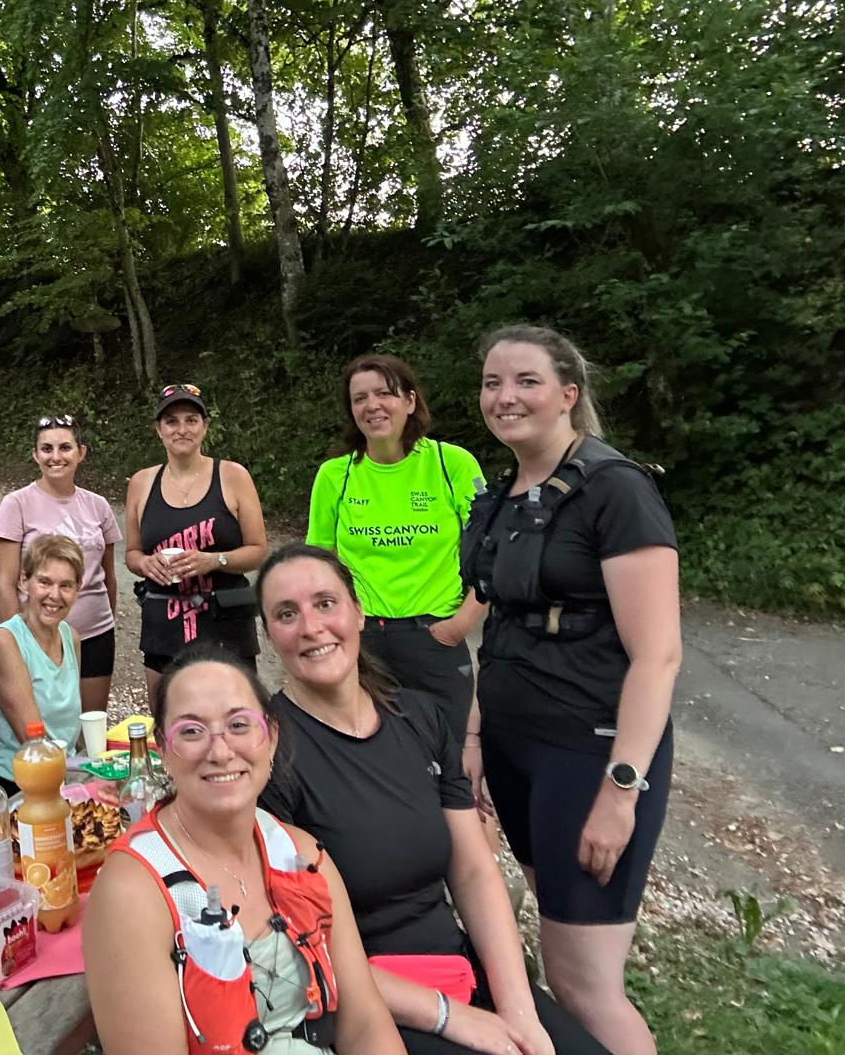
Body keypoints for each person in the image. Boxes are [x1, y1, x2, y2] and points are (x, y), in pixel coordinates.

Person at [256, 545, 608, 1055]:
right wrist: (450, 1018)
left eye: (325, 603)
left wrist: (518, 1011)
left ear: (359, 612)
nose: (311, 626)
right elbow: (292, 944)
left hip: (455, 969)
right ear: (269, 635)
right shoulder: (266, 754)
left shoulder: (419, 717)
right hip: (360, 1002)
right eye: (287, 614)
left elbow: (473, 871)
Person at [459, 326, 681, 1055]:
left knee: (586, 984)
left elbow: (658, 655)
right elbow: (503, 629)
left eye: (526, 380)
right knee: (559, 948)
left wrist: (622, 791)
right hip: (517, 750)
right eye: (493, 382)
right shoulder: (505, 494)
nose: (505, 396)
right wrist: (475, 737)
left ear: (567, 394)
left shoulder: (616, 491)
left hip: (589, 753)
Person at [85, 647, 405, 1055]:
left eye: (238, 725)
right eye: (191, 731)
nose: (220, 752)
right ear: (162, 749)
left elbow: (364, 1024)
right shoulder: (133, 893)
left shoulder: (300, 854)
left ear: (271, 737)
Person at [306, 354, 487, 744]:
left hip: (436, 636)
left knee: (447, 755)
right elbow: (318, 566)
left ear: (409, 400)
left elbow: (494, 551)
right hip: (364, 639)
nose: (372, 405)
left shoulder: (451, 464)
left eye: (384, 393)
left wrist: (460, 625)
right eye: (360, 398)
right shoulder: (334, 475)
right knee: (371, 755)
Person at [125, 383, 268, 703]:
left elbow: (258, 550)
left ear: (205, 427)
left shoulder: (232, 476)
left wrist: (214, 560)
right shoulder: (142, 482)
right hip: (164, 622)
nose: (182, 429)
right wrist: (145, 564)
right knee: (169, 718)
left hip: (225, 622)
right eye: (171, 421)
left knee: (236, 713)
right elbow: (132, 554)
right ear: (159, 430)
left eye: (191, 420)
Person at [0, 414, 121, 714]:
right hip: (39, 637)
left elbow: (109, 576)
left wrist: (108, 622)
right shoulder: (16, 504)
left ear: (81, 452)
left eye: (65, 447)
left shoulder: (98, 505)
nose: (56, 457)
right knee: (45, 724)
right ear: (35, 454)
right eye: (46, 449)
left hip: (95, 635)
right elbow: (5, 581)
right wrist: (17, 641)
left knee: (90, 725)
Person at [0, 535, 84, 787]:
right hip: (19, 779)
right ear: (24, 582)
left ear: (77, 590)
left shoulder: (70, 637)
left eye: (66, 585)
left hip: (63, 770)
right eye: (44, 582)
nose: (54, 595)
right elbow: (32, 739)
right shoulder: (6, 642)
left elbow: (71, 724)